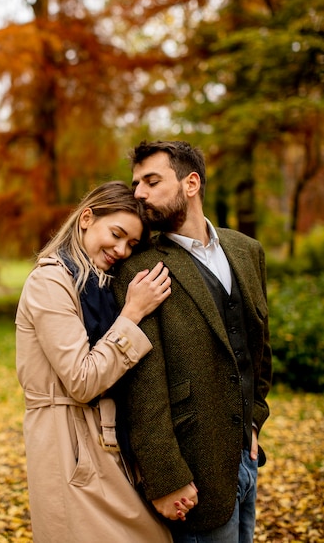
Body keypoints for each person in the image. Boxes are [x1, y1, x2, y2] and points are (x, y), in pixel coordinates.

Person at [112, 141, 272, 543]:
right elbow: (142, 389)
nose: (139, 195)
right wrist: (166, 479)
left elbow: (258, 351)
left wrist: (254, 419)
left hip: (246, 459)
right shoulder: (140, 268)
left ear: (191, 183)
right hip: (191, 478)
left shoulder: (247, 250)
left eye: (152, 181)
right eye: (136, 184)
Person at [15, 181, 177, 543]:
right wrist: (133, 313)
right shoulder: (50, 282)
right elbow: (83, 380)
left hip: (105, 440)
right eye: (116, 234)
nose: (121, 250)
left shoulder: (98, 284)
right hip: (67, 444)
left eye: (132, 244)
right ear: (87, 218)